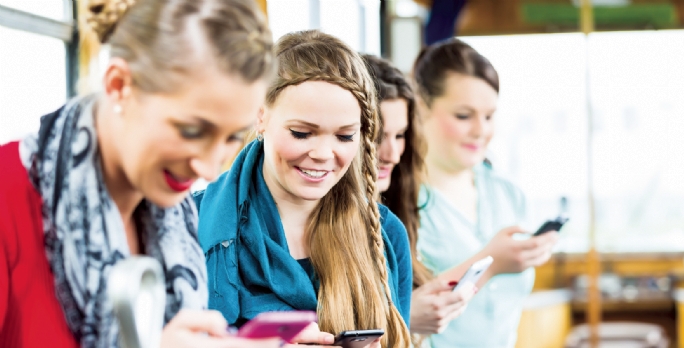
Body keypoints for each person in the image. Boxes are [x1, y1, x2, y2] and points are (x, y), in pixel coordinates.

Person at [0, 0, 281, 347]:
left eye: (232, 137)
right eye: (191, 131)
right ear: (119, 85)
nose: (209, 167)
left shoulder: (174, 221)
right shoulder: (7, 198)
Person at [194, 30, 412, 348]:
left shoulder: (387, 235)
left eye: (344, 136)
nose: (324, 154)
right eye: (301, 133)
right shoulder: (188, 224)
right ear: (260, 116)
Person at [412, 39, 559, 347]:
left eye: (489, 116)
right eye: (464, 116)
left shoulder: (509, 195)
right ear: (422, 108)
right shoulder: (400, 203)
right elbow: (401, 314)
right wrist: (490, 264)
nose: (481, 130)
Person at [361, 54, 476, 343]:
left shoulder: (395, 217)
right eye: (377, 136)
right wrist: (405, 316)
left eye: (400, 136)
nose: (392, 154)